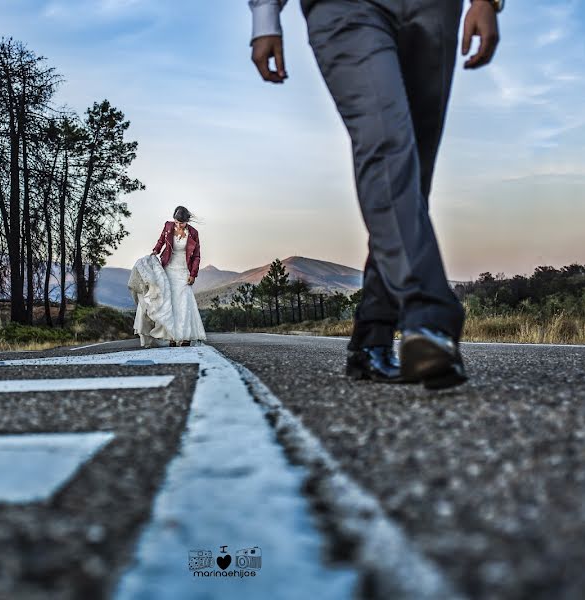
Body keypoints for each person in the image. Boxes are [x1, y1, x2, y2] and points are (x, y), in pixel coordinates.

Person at [247, 0, 502, 389]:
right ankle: (428, 318)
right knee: (385, 143)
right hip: (343, 8)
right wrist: (265, 15)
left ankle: (372, 339)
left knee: (412, 177)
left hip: (435, 8)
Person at [151, 206, 207, 347]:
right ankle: (172, 337)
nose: (178, 225)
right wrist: (155, 251)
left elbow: (196, 256)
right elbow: (161, 241)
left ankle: (186, 337)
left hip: (184, 271)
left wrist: (193, 274)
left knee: (184, 303)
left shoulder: (193, 233)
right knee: (171, 303)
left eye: (181, 223)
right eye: (176, 222)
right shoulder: (168, 226)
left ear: (187, 221)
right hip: (168, 269)